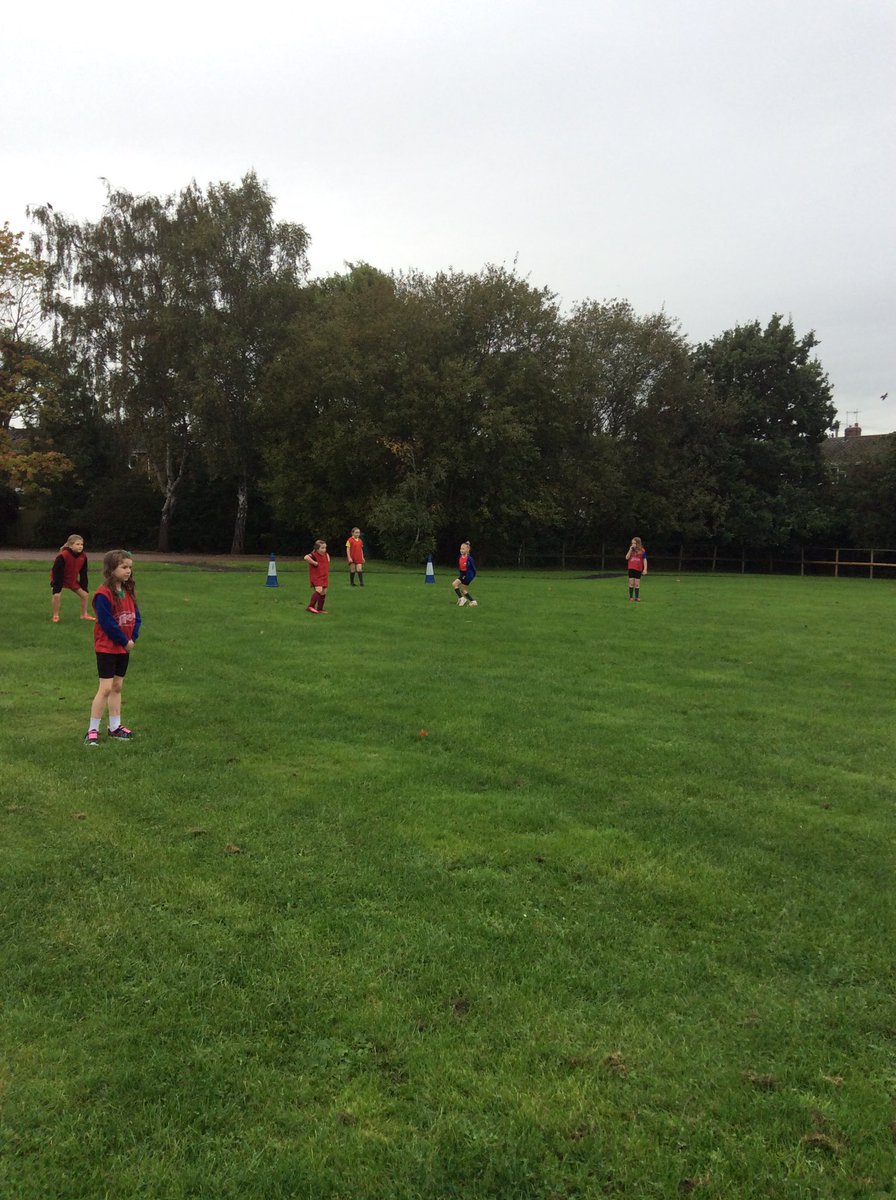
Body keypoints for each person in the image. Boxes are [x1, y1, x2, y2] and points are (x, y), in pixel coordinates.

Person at [83, 550, 141, 746]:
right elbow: (107, 623)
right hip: (107, 647)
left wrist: (132, 637)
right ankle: (92, 730)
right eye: (124, 567)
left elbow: (137, 616)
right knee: (106, 688)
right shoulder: (103, 594)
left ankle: (115, 727)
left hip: (124, 648)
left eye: (130, 567)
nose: (128, 571)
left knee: (117, 686)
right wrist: (124, 641)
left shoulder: (128, 591)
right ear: (111, 569)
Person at [50, 534, 94, 623]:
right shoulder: (63, 556)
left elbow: (83, 573)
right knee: (56, 595)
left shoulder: (83, 556)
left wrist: (84, 586)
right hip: (59, 578)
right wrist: (56, 585)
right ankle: (55, 616)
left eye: (81, 544)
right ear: (70, 545)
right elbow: (57, 571)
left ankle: (84, 614)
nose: (80, 546)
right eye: (77, 544)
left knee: (84, 595)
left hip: (72, 579)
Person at [304, 540, 330, 613]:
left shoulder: (326, 554)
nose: (324, 549)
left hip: (324, 576)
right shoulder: (313, 555)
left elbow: (327, 563)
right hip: (316, 576)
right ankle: (310, 606)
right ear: (317, 548)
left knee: (324, 592)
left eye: (325, 548)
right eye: (322, 548)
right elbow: (306, 557)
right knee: (319, 590)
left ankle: (320, 609)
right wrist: (314, 563)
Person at [452, 541, 478, 607]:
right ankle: (472, 601)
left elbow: (473, 569)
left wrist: (471, 576)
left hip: (467, 576)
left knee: (456, 585)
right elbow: (461, 567)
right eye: (461, 548)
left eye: (463, 549)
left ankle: (462, 599)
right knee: (462, 589)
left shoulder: (469, 559)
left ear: (467, 550)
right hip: (463, 575)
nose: (461, 550)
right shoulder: (460, 557)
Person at [626, 537, 648, 602]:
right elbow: (627, 558)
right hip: (631, 568)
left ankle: (637, 597)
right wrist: (630, 550)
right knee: (631, 583)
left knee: (637, 584)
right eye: (632, 543)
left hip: (638, 569)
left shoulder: (642, 551)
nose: (633, 544)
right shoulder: (631, 550)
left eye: (634, 543)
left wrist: (645, 569)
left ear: (638, 543)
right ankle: (631, 597)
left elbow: (645, 560)